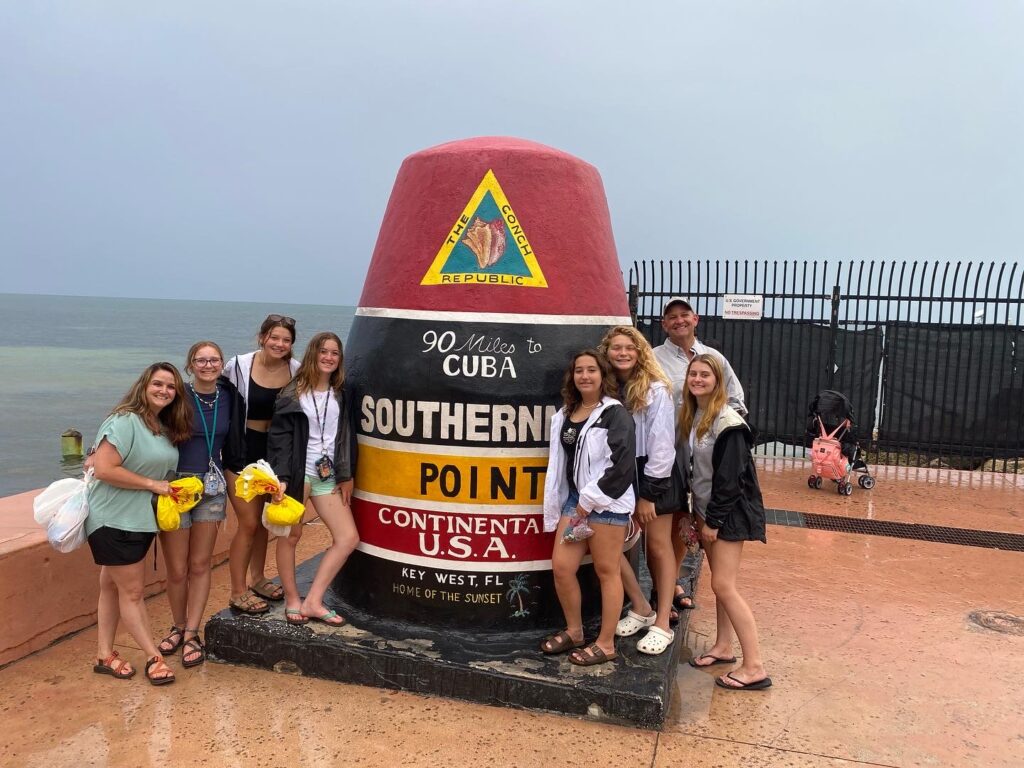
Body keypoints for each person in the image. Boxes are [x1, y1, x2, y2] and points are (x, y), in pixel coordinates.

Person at [86, 363, 192, 686]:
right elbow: (104, 468)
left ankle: (104, 654)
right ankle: (152, 656)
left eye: (170, 387)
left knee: (110, 585)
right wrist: (153, 484)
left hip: (139, 520)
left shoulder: (158, 425)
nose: (164, 391)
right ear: (143, 386)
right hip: (113, 518)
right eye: (157, 384)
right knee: (132, 592)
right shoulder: (124, 420)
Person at [679, 354, 771, 690]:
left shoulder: (728, 423)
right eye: (694, 374)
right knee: (720, 581)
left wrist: (713, 521)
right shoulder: (698, 415)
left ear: (718, 381)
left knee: (724, 586)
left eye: (705, 375)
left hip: (728, 513)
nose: (698, 379)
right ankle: (723, 646)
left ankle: (755, 666)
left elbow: (731, 479)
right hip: (709, 510)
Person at [540, 350, 636, 666]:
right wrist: (576, 502)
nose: (585, 376)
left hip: (607, 502)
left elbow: (621, 466)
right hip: (576, 501)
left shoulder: (615, 413)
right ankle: (575, 631)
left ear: (602, 375)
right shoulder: (568, 412)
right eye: (579, 370)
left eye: (591, 370)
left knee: (607, 571)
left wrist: (588, 501)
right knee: (562, 567)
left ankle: (606, 644)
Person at [653, 296, 746, 611]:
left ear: (696, 319)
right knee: (675, 523)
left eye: (684, 314)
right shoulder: (654, 360)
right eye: (672, 317)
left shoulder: (713, 358)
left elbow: (735, 400)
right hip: (672, 458)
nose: (679, 320)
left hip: (704, 460)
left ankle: (679, 585)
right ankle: (669, 585)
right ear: (664, 324)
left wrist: (712, 430)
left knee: (702, 523)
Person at [156, 341, 245, 668]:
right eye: (201, 360)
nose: (208, 365)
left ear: (222, 364)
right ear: (190, 365)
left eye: (214, 360)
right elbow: (142, 420)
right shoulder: (177, 396)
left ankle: (193, 632)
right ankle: (178, 626)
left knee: (200, 564)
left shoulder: (230, 397)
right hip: (176, 487)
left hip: (212, 487)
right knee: (177, 569)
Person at [598, 326, 680, 656]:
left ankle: (663, 622)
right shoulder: (608, 390)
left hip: (652, 474)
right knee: (609, 544)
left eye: (629, 347)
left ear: (640, 351)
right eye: (616, 347)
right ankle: (641, 605)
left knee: (658, 546)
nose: (622, 353)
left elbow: (662, 446)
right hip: (621, 471)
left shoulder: (656, 389)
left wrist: (648, 493)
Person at [268, 332, 358, 626]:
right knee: (290, 536)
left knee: (347, 538)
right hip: (297, 475)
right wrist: (281, 478)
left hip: (328, 476)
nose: (329, 357)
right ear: (312, 355)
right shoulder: (292, 394)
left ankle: (313, 601)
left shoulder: (341, 393)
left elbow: (346, 438)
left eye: (335, 353)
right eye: (323, 351)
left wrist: (347, 474)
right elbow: (279, 439)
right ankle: (293, 599)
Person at [223, 315, 301, 614]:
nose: (280, 344)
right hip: (243, 450)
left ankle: (258, 577)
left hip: (277, 452)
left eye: (286, 340)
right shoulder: (239, 366)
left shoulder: (295, 370)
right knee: (249, 522)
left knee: (267, 520)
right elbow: (216, 397)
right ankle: (237, 590)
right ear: (262, 337)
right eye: (275, 338)